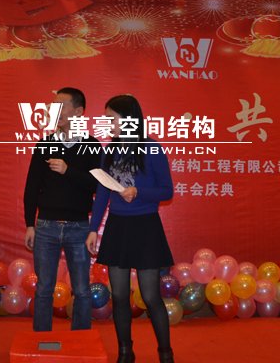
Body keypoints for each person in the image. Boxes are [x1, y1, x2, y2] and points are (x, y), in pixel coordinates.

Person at [85, 95, 175, 363]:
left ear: (128, 119)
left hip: (145, 226)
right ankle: (125, 351)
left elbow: (167, 190)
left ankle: (165, 353)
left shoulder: (151, 148)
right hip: (118, 226)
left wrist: (139, 192)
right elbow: (103, 192)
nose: (107, 123)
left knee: (151, 296)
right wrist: (93, 228)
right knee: (120, 295)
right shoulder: (109, 150)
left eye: (111, 118)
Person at [24, 87, 101, 331]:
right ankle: (40, 340)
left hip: (79, 226)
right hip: (45, 226)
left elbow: (98, 185)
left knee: (82, 289)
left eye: (61, 106)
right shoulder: (45, 144)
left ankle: (81, 341)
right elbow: (31, 187)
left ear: (78, 112)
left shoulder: (92, 145)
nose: (53, 111)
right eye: (52, 106)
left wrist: (68, 170)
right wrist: (29, 224)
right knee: (44, 288)